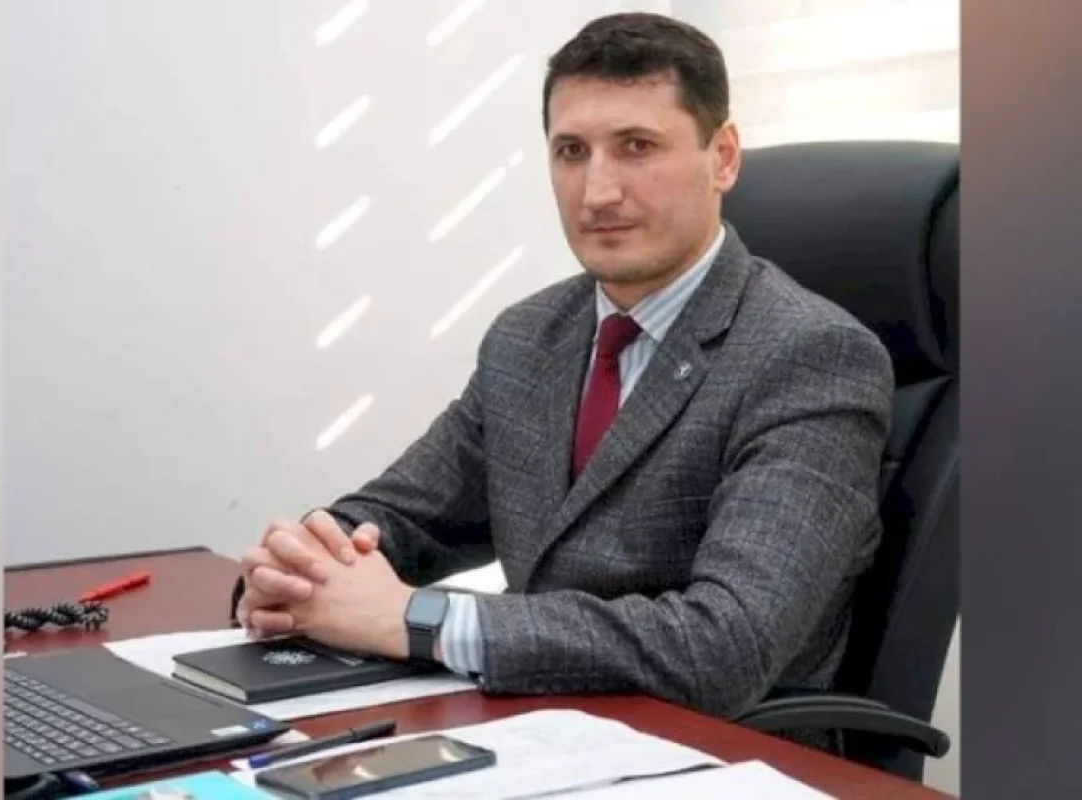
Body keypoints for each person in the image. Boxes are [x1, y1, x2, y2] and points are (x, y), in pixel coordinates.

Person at [231, 12, 894, 725]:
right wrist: (301, 570)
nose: (597, 191)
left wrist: (419, 620)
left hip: (713, 751)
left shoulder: (810, 356)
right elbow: (405, 516)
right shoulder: (528, 338)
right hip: (536, 726)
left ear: (724, 157)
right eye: (572, 151)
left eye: (636, 146)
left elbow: (724, 645)